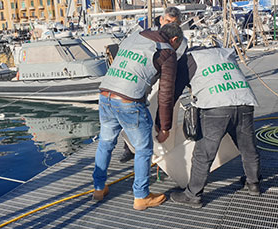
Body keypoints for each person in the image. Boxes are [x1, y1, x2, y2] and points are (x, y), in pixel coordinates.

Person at [92, 23, 184, 211]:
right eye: (177, 45)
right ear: (174, 40)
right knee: (143, 149)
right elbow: (166, 94)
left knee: (105, 143)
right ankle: (141, 197)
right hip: (129, 101)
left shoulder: (137, 35)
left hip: (105, 94)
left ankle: (98, 188)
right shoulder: (167, 53)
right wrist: (164, 127)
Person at [170, 47, 261, 209]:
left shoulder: (189, 59)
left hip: (216, 106)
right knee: (248, 147)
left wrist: (162, 123)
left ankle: (193, 195)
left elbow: (174, 92)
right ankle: (253, 183)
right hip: (244, 100)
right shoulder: (223, 53)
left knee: (204, 153)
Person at [119, 6, 184, 162]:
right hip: (146, 81)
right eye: (168, 21)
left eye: (174, 23)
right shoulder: (148, 34)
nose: (170, 25)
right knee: (136, 117)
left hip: (167, 80)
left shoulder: (182, 40)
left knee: (164, 114)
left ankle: (162, 149)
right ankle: (129, 148)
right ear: (161, 20)